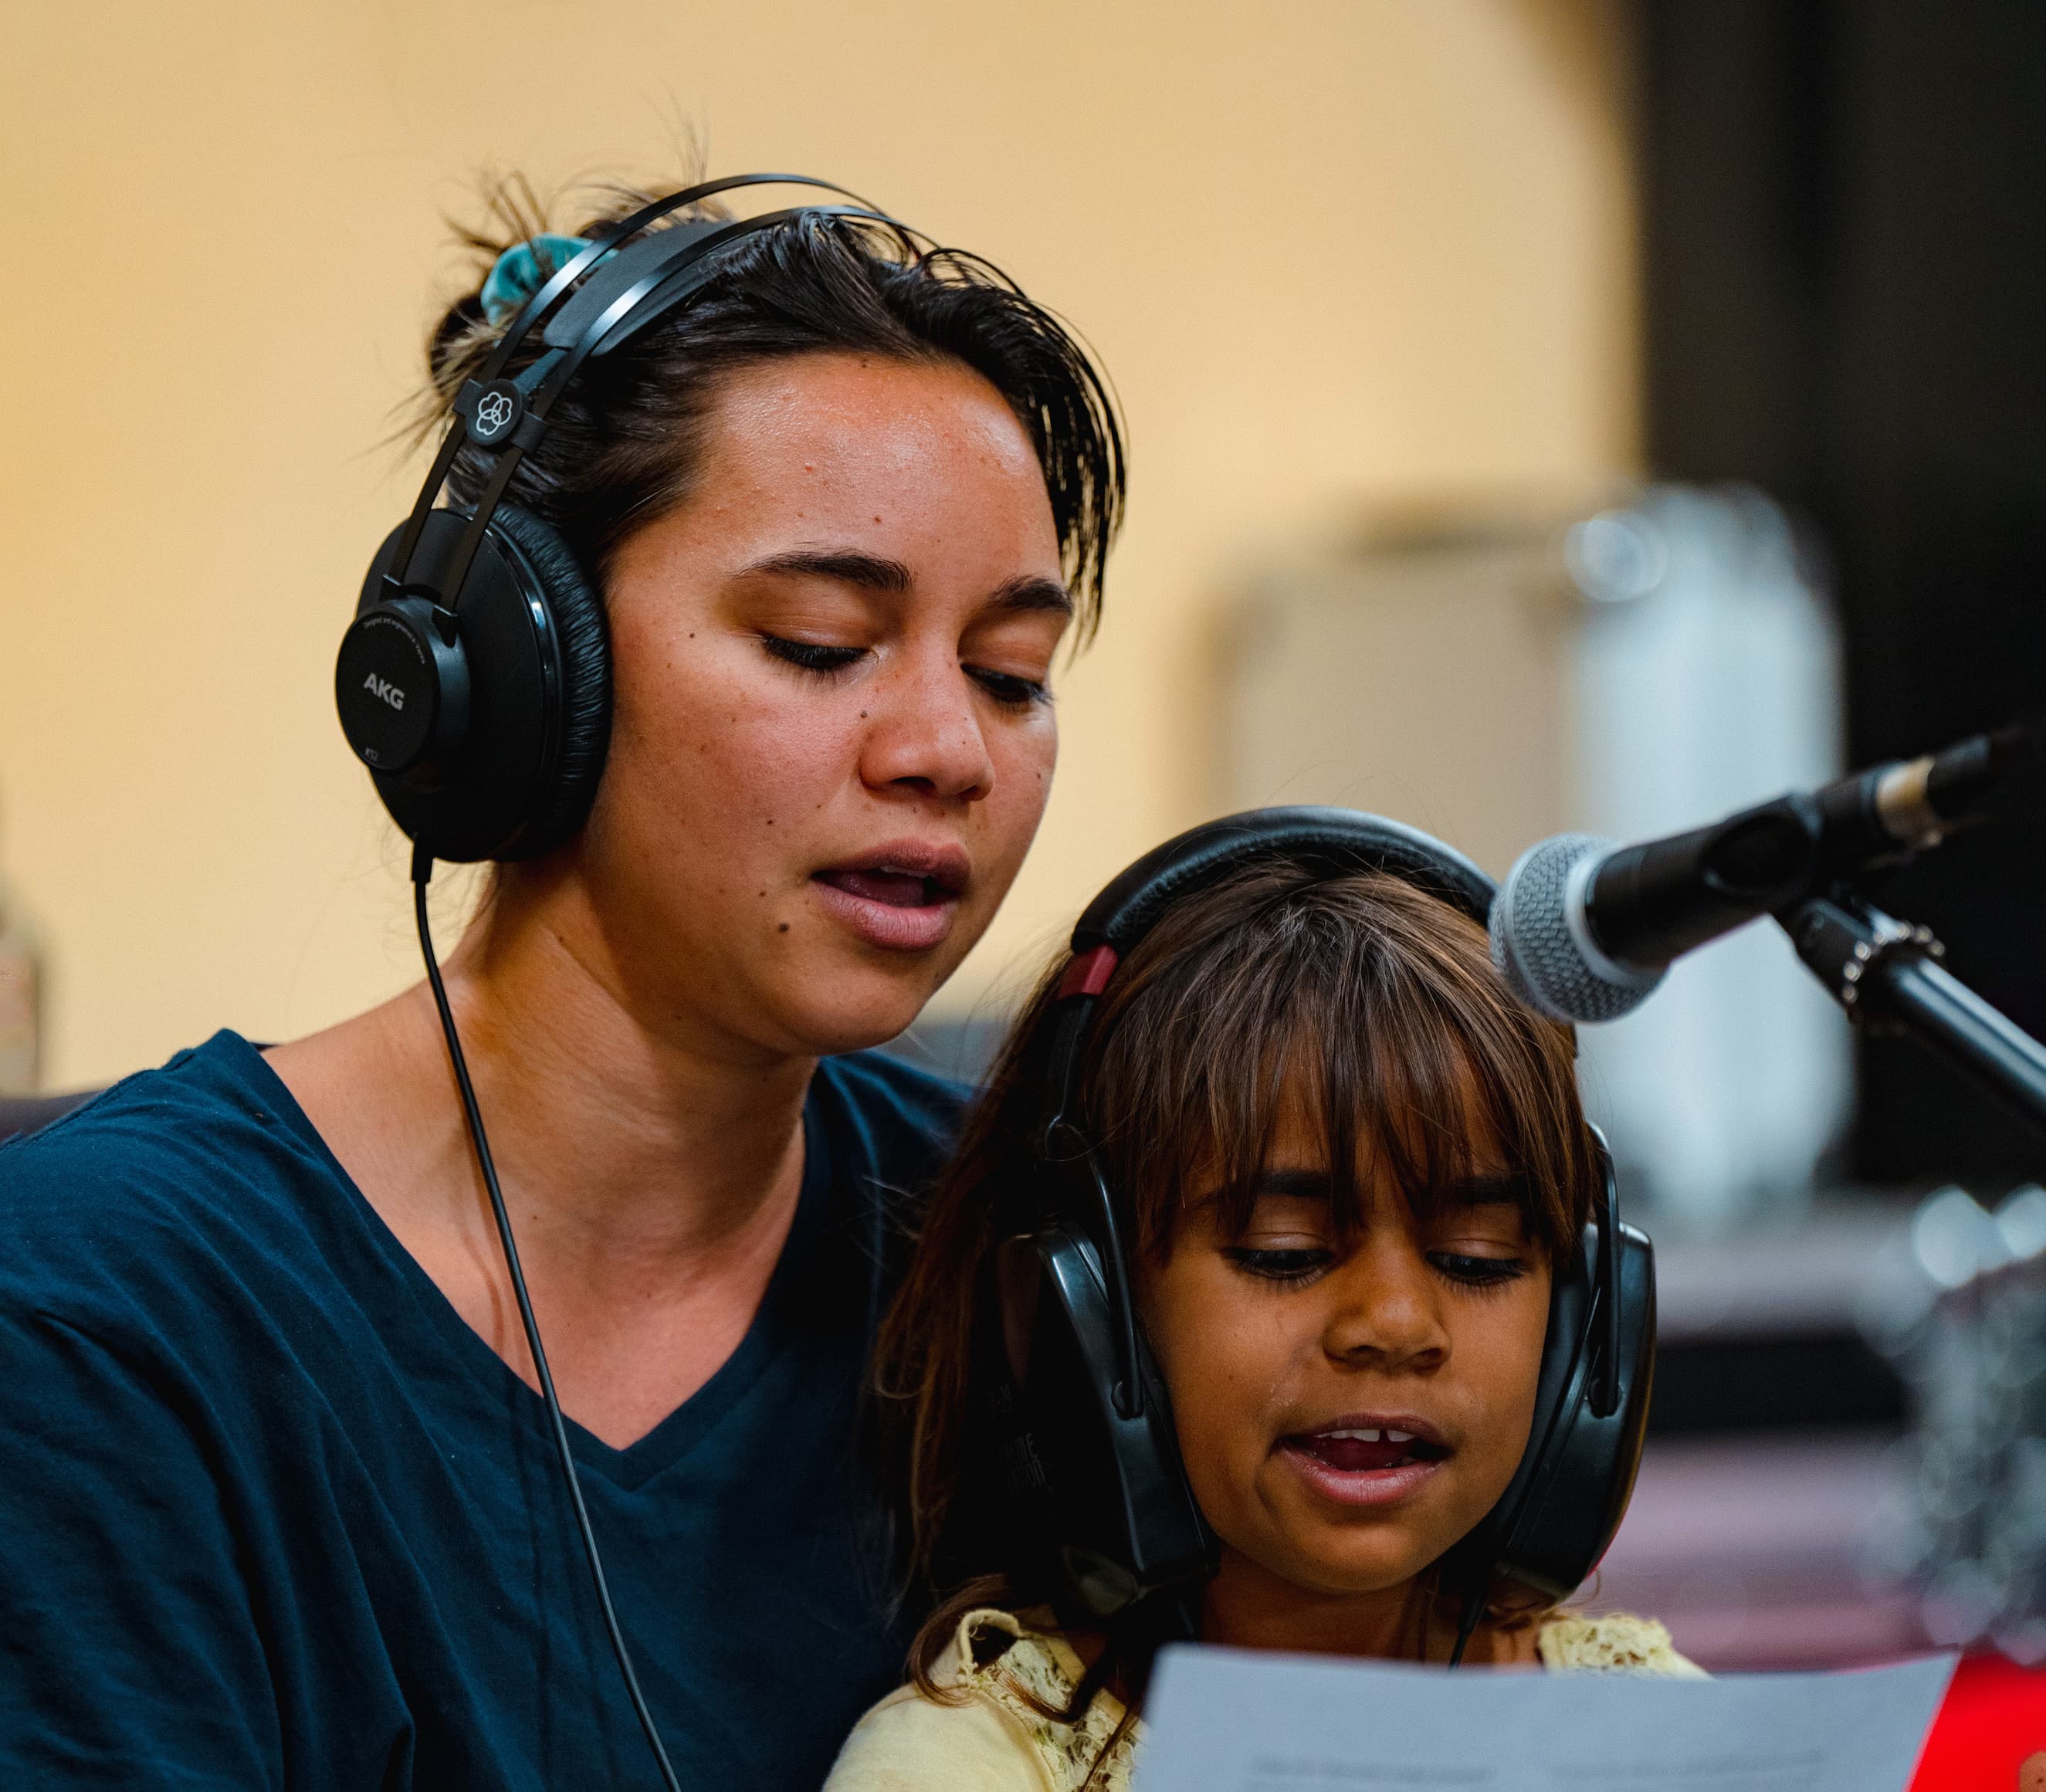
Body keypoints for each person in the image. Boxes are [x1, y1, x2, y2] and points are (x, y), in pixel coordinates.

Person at [0, 174, 1121, 1789]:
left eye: (1009, 673)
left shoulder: (1028, 1263)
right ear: (521, 668)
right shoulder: (110, 1308)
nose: (943, 749)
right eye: (818, 643)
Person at [828, 847, 1699, 1792]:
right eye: (1283, 1252)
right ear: (1087, 1313)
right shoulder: (957, 1770)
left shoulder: (1662, 1732)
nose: (1396, 1321)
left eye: (1476, 1258)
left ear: (1582, 1327)